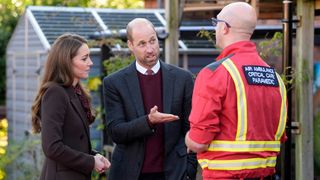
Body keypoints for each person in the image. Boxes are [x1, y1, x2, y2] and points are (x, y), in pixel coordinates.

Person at [185, 2, 287, 180]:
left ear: (224, 27)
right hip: (267, 175)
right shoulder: (275, 79)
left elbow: (199, 141)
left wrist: (188, 139)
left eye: (216, 23)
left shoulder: (215, 73)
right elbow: (279, 136)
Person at [103, 18, 197, 180]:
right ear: (130, 45)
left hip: (174, 173)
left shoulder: (184, 79)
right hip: (130, 173)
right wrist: (148, 121)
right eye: (142, 44)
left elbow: (192, 128)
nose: (150, 49)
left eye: (153, 41)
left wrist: (189, 168)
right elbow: (116, 132)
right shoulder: (114, 83)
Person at [31, 33, 110, 180]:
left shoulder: (75, 92)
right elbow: (52, 147)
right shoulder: (55, 93)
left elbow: (73, 143)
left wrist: (94, 156)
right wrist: (90, 161)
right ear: (66, 61)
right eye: (84, 58)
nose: (91, 63)